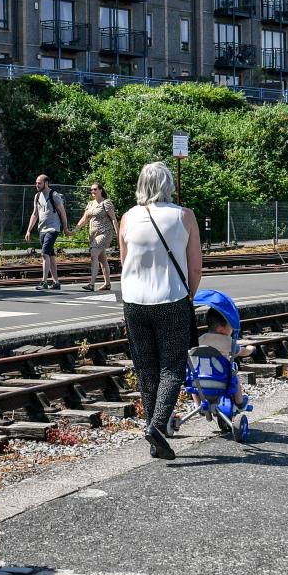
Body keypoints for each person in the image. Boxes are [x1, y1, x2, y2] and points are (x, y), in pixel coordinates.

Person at [119, 162, 201, 460]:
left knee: (146, 368)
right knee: (173, 367)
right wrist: (187, 297)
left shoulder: (127, 218)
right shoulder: (184, 216)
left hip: (134, 302)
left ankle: (154, 434)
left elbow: (124, 264)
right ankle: (156, 426)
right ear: (168, 185)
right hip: (172, 299)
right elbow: (195, 267)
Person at [24, 174, 68, 291]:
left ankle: (44, 281)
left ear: (46, 183)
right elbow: (35, 214)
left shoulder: (54, 195)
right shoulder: (37, 196)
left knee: (44, 254)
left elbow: (62, 213)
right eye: (36, 183)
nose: (37, 185)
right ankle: (56, 282)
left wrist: (65, 228)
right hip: (42, 229)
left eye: (39, 183)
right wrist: (28, 230)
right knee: (50, 256)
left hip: (53, 229)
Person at [74, 182, 119, 292]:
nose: (92, 191)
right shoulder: (90, 204)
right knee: (102, 260)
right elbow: (84, 219)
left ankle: (91, 284)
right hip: (93, 235)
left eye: (95, 189)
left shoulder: (106, 203)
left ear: (100, 190)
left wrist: (118, 235)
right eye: (91, 190)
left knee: (94, 254)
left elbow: (113, 219)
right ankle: (107, 283)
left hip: (105, 233)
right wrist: (75, 230)